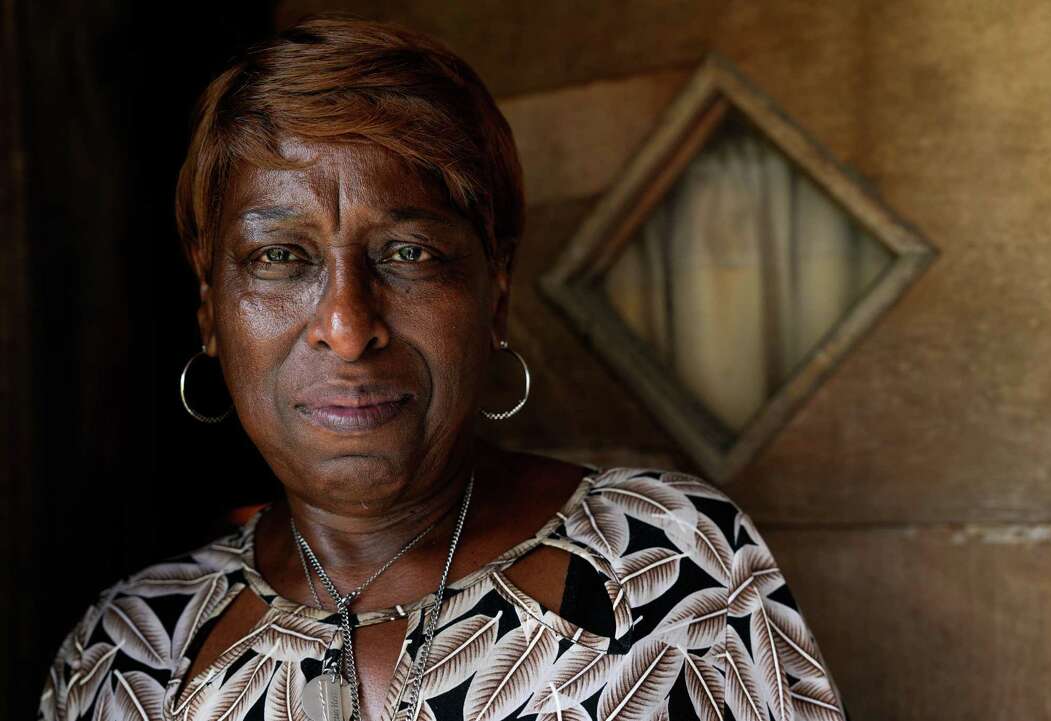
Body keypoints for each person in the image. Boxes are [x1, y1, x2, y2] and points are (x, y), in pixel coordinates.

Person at [37, 15, 846, 721]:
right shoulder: (126, 658)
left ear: (495, 292)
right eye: (280, 256)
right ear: (211, 308)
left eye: (409, 253)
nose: (347, 327)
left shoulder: (665, 570)